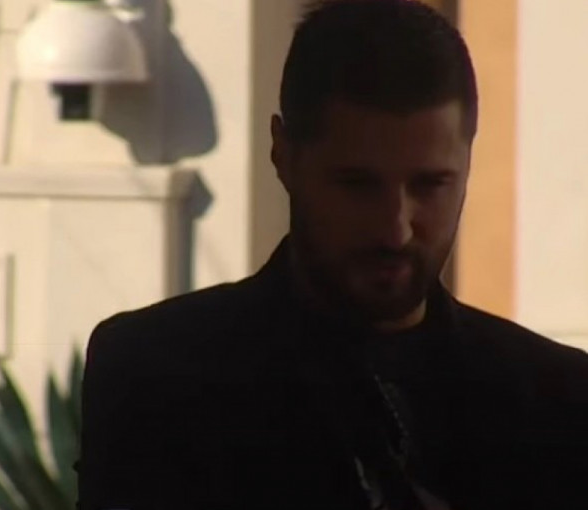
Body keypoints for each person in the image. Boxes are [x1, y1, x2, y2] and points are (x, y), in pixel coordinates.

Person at [77, 1, 588, 508]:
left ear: (468, 164)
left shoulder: (557, 399)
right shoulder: (160, 374)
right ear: (284, 155)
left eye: (430, 185)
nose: (396, 228)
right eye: (358, 185)